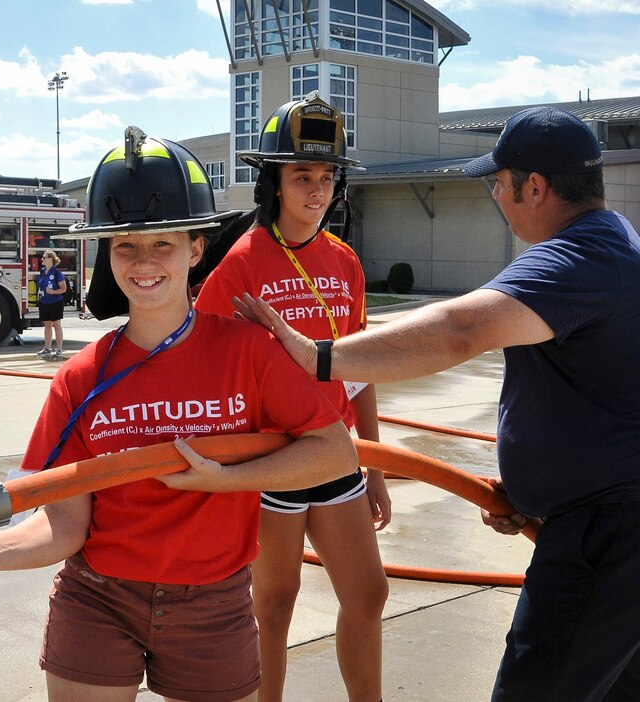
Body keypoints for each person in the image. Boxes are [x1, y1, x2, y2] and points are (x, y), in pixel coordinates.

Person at [0, 127, 358, 702]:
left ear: (196, 248)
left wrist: (227, 480)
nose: (144, 261)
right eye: (126, 245)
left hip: (213, 602)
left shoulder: (249, 352)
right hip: (98, 599)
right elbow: (63, 523)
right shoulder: (81, 378)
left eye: (164, 243)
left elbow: (334, 451)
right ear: (107, 253)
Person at [235, 105, 640, 702]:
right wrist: (533, 496)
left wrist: (318, 358)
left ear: (535, 187)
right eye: (302, 175)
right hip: (591, 522)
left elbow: (458, 330)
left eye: (498, 184)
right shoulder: (615, 243)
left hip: (604, 539)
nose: (495, 196)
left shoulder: (573, 259)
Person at [194, 93, 389, 702]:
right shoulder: (239, 266)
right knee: (274, 604)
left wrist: (375, 463)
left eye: (327, 176)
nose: (317, 189)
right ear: (274, 182)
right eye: (301, 175)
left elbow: (359, 370)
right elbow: (205, 370)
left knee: (369, 593)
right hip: (271, 459)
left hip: (335, 455)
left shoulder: (347, 262)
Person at [36, 250, 67, 358]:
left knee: (56, 324)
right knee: (47, 325)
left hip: (55, 302)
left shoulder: (57, 273)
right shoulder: (42, 271)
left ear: (51, 259)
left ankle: (59, 349)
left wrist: (53, 292)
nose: (42, 259)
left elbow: (63, 289)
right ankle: (47, 348)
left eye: (44, 257)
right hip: (44, 301)